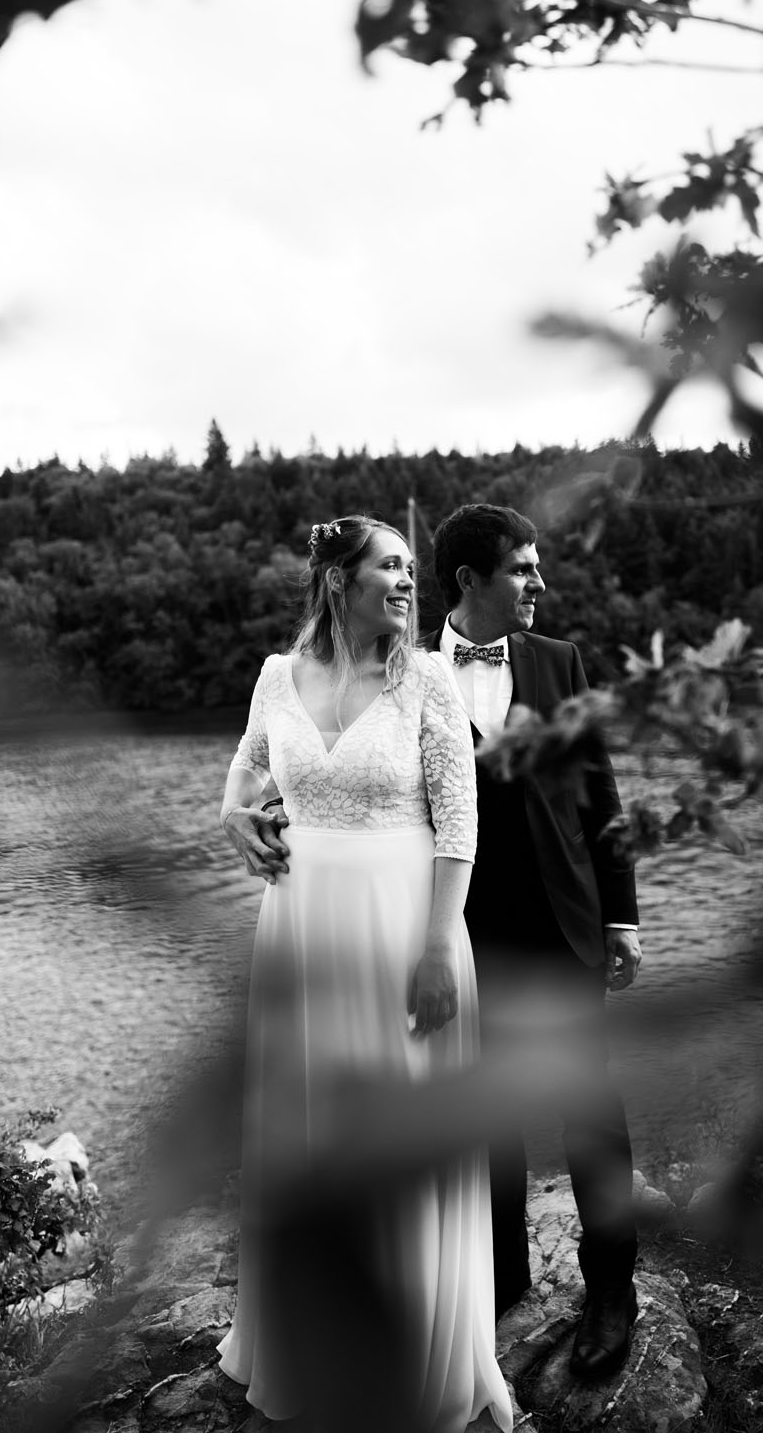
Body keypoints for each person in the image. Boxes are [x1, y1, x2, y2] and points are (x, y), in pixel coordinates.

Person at [215, 515, 513, 1433]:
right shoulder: (278, 676)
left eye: (412, 567)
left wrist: (439, 947)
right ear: (339, 580)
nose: (408, 581)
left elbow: (458, 824)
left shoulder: (424, 679)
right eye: (389, 565)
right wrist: (234, 816)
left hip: (404, 932)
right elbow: (244, 774)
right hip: (300, 931)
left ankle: (412, 1362)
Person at [429, 503, 642, 1383]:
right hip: (461, 932)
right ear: (469, 579)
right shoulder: (408, 675)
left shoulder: (560, 662)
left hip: (564, 923)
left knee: (587, 1107)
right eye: (522, 568)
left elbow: (600, 794)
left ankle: (612, 1289)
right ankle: (502, 1274)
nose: (538, 584)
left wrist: (621, 915)